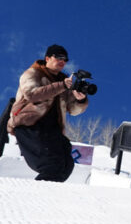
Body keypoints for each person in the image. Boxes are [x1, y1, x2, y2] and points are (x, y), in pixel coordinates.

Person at [6, 44, 90, 182]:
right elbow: (32, 95)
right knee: (52, 165)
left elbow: (73, 110)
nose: (62, 61)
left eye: (65, 59)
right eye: (59, 57)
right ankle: (35, 193)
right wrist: (61, 85)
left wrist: (80, 99)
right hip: (30, 126)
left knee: (66, 165)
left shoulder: (64, 82)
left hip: (52, 130)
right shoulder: (33, 73)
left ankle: (48, 192)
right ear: (47, 58)